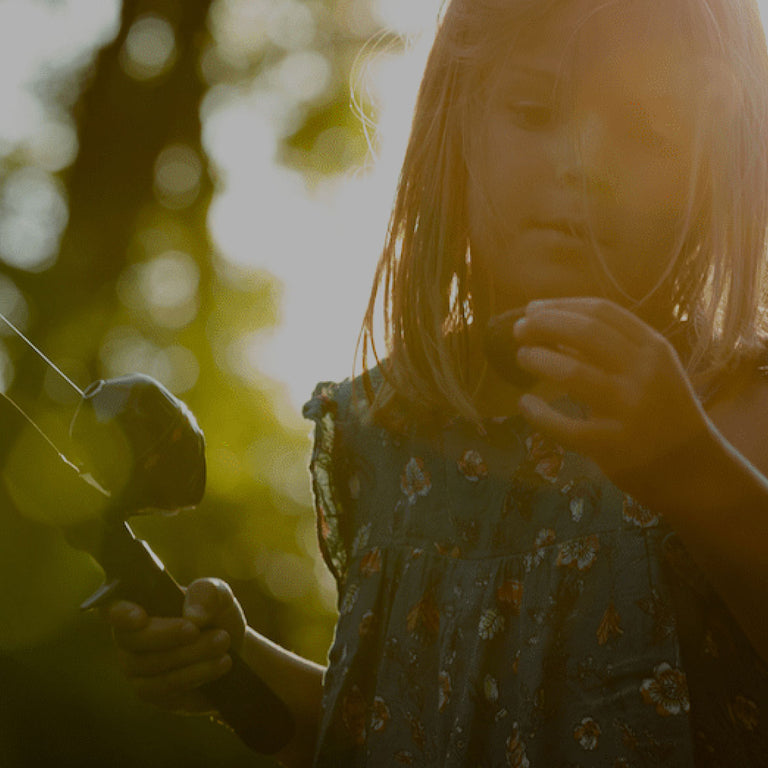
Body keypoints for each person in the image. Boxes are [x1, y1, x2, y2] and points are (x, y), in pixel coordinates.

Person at [106, 0, 768, 764]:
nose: (584, 160)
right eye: (533, 109)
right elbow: (393, 723)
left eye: (650, 129)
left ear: (714, 170)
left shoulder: (736, 403)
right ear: (457, 126)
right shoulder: (382, 434)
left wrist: (691, 470)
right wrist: (239, 665)